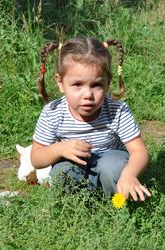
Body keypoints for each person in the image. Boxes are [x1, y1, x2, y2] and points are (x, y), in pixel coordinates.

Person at [31, 37, 151, 201]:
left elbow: (140, 151)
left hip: (109, 161)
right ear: (60, 83)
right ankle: (76, 207)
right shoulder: (53, 112)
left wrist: (130, 174)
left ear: (108, 83)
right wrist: (60, 149)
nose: (88, 95)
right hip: (74, 165)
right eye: (77, 85)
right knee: (62, 173)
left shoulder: (117, 110)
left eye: (96, 85)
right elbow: (36, 158)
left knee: (113, 167)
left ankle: (117, 205)